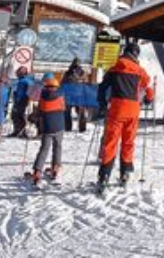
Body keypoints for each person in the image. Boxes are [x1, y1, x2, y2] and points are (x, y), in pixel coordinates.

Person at [95, 41, 155, 192]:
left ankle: (104, 176)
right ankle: (125, 173)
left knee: (111, 142)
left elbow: (102, 87)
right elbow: (149, 89)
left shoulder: (115, 67)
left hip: (117, 108)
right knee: (128, 141)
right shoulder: (140, 71)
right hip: (133, 109)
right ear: (136, 54)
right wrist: (149, 99)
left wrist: (102, 104)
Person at [27, 74, 67, 186]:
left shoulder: (43, 97)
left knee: (44, 149)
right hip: (59, 126)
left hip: (47, 128)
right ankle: (55, 169)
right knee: (57, 147)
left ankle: (37, 172)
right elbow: (63, 108)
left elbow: (39, 112)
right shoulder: (61, 96)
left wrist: (32, 117)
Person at [62, 57, 89, 133]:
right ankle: (78, 128)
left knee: (72, 112)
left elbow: (62, 84)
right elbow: (86, 84)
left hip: (73, 95)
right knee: (76, 112)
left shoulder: (79, 73)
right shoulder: (80, 73)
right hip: (75, 95)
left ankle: (71, 127)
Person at [10, 66, 34, 138]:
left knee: (16, 116)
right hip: (24, 100)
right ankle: (20, 131)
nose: (17, 74)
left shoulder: (23, 81)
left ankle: (19, 131)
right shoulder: (29, 80)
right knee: (20, 116)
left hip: (21, 100)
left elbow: (20, 92)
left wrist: (16, 97)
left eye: (18, 73)